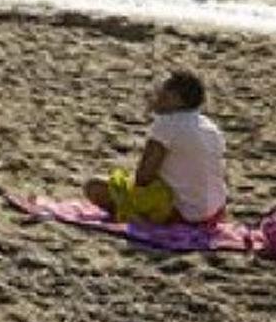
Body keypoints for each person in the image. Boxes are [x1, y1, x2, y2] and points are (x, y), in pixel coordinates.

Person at [84, 69, 227, 226]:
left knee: (95, 186)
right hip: (213, 211)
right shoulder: (210, 127)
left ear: (176, 99)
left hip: (182, 212)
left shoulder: (166, 124)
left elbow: (144, 177)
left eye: (162, 92)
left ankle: (138, 218)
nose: (156, 96)